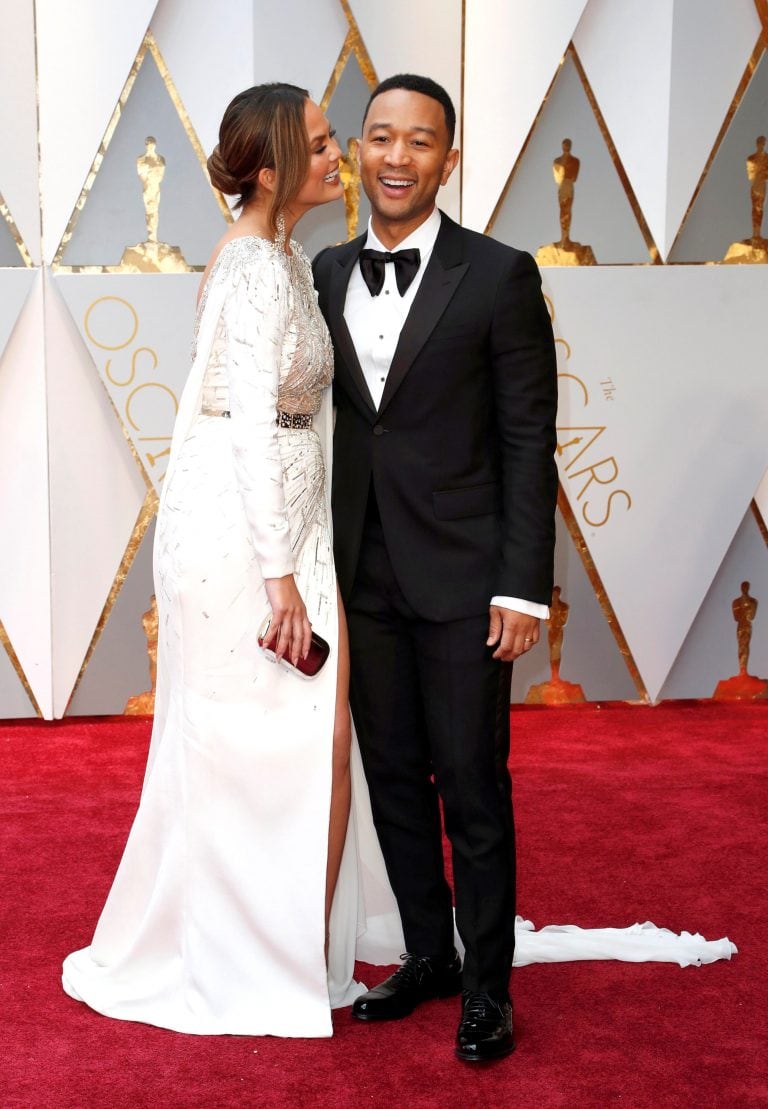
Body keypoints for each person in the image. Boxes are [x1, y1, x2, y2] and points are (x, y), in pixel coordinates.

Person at [62, 83, 365, 1037]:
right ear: (271, 168)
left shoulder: (287, 255)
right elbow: (240, 431)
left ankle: (290, 958)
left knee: (312, 750)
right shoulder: (251, 269)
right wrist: (279, 575)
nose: (339, 154)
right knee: (276, 751)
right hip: (245, 542)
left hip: (289, 528)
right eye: (319, 143)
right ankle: (257, 967)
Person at [313, 74, 559, 1062]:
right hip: (360, 570)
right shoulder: (323, 270)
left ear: (448, 160)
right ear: (358, 152)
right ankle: (429, 952)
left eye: (420, 141)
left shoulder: (499, 273)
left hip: (467, 579)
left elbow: (527, 437)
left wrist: (522, 583)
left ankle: (488, 989)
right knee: (392, 778)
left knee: (471, 782)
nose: (398, 158)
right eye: (380, 138)